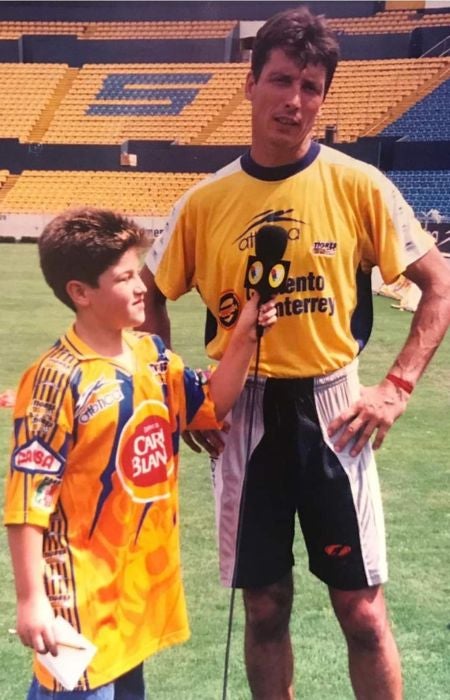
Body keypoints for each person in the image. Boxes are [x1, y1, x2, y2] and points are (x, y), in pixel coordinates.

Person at [140, 8, 450, 699]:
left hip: (334, 410)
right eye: (281, 80)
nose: (295, 100)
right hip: (241, 415)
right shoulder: (205, 200)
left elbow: (439, 286)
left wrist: (396, 387)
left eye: (311, 86)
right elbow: (151, 296)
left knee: (363, 612)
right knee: (264, 608)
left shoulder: (359, 185)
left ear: (323, 96)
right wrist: (180, 396)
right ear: (249, 85)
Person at [3, 206, 277, 700]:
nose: (140, 287)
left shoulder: (152, 354)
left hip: (132, 592)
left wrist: (245, 334)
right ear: (80, 293)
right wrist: (31, 601)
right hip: (77, 599)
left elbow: (212, 401)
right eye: (124, 277)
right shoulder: (55, 378)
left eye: (138, 272)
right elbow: (27, 500)